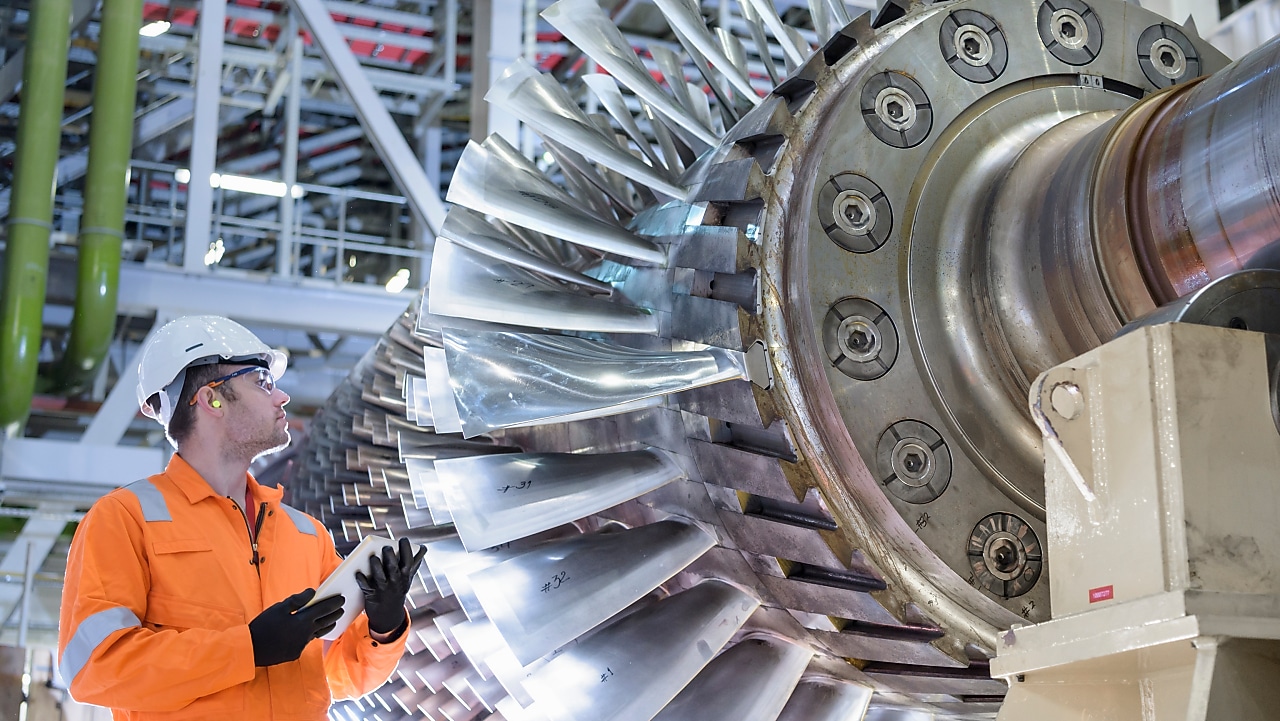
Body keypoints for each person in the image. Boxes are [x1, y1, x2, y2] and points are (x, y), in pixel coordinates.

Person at [57, 315, 425, 719]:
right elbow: (95, 667)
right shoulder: (127, 520)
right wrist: (246, 649)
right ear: (211, 399)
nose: (281, 397)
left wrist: (383, 627)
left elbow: (339, 675)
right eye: (262, 382)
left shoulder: (305, 536)